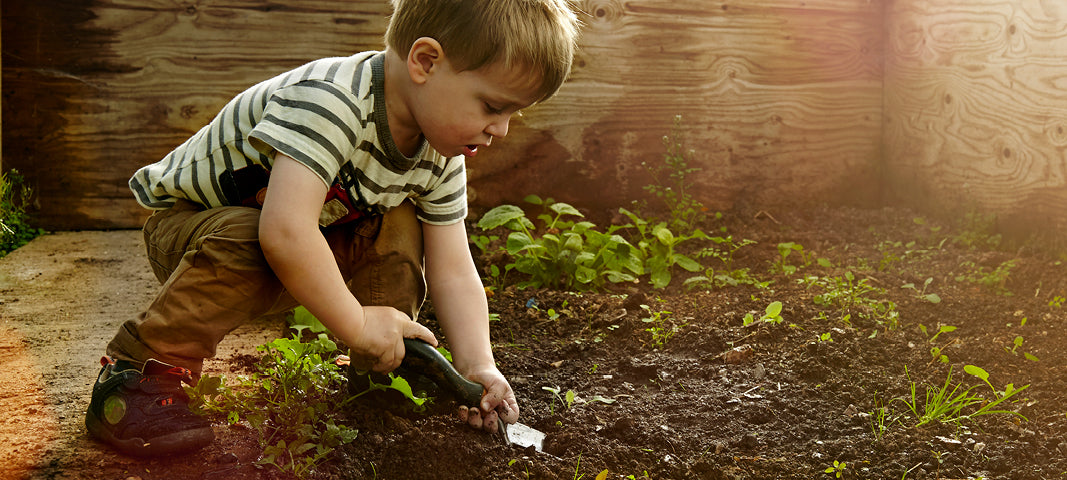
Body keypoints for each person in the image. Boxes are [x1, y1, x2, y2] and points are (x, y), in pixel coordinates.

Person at [84, 0, 580, 456]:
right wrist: (358, 325)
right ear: (425, 61)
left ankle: (383, 369)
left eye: (515, 112)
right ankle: (138, 377)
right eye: (494, 106)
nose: (502, 129)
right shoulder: (331, 102)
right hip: (193, 234)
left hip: (299, 237)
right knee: (254, 234)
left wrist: (478, 367)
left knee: (400, 222)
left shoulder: (439, 152)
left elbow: (453, 269)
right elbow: (285, 233)